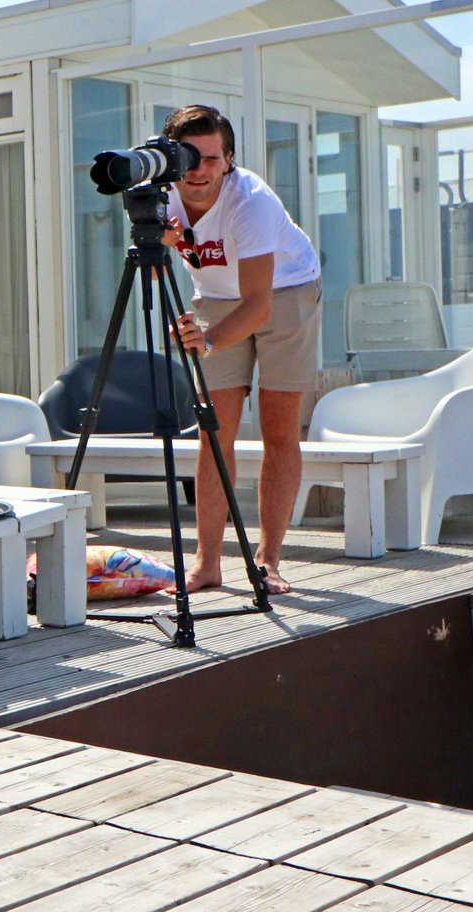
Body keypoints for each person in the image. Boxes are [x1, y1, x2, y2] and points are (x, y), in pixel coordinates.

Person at [160, 105, 322, 595]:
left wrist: (207, 340)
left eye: (211, 158)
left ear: (229, 160)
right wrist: (161, 244)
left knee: (279, 428)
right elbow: (157, 263)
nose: (197, 170)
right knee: (213, 432)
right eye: (188, 157)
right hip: (216, 296)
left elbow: (257, 306)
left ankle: (268, 561)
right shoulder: (158, 192)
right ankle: (207, 564)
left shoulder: (251, 203)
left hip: (285, 291)